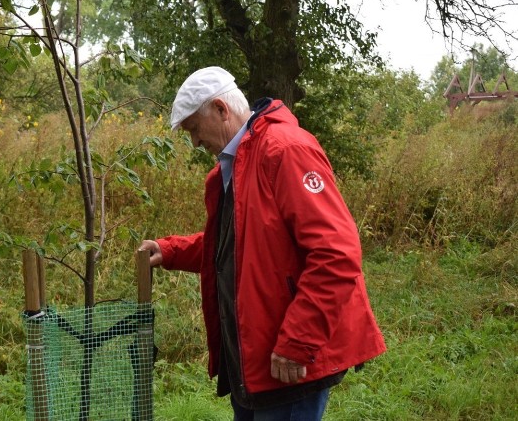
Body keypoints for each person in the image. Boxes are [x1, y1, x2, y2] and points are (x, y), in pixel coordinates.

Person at [140, 66, 386, 420]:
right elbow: (241, 244)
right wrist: (171, 250)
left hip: (289, 361)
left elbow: (336, 253)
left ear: (222, 110)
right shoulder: (238, 162)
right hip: (255, 357)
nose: (194, 142)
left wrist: (298, 340)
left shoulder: (284, 150)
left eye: (194, 129)